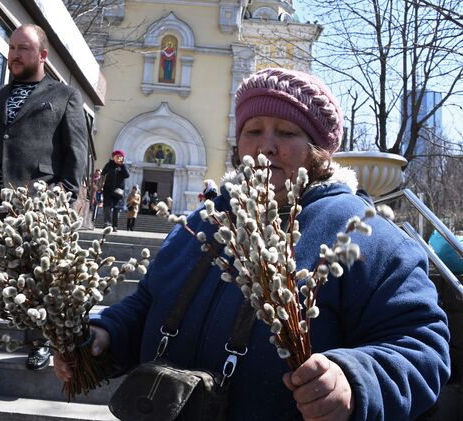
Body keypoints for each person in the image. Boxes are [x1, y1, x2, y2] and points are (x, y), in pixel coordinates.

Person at [54, 67, 450, 420]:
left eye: (288, 132)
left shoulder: (365, 234)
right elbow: (147, 303)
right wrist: (105, 336)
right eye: (253, 131)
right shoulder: (202, 223)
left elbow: (422, 347)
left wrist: (353, 381)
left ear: (319, 152)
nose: (266, 146)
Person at [0, 24, 88, 409]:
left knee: (34, 281)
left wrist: (61, 201)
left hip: (32, 208)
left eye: (23, 49)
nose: (14, 55)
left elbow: (75, 155)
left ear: (43, 55)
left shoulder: (64, 96)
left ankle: (39, 341)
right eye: (11, 48)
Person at [101, 150, 129, 231]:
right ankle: (107, 224)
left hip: (118, 191)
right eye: (117, 156)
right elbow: (103, 174)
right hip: (108, 190)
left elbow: (127, 175)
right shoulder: (109, 165)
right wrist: (100, 185)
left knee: (117, 209)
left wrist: (122, 166)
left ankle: (114, 226)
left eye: (121, 157)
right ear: (113, 157)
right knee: (107, 207)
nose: (119, 158)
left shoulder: (123, 166)